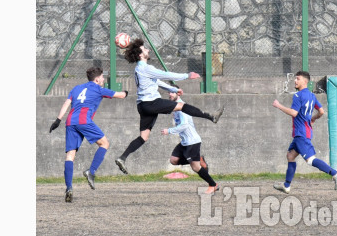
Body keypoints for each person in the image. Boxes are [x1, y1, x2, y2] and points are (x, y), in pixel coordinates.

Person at [115, 38, 224, 175]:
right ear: (140, 55)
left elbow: (157, 81)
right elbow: (166, 74)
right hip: (151, 103)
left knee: (143, 137)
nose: (148, 50)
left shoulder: (139, 69)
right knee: (182, 106)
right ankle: (210, 116)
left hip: (142, 105)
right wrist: (187, 75)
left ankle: (122, 158)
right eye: (145, 49)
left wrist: (172, 89)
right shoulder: (146, 68)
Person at [49, 66, 128, 203]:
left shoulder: (76, 88)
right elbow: (120, 95)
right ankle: (91, 172)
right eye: (102, 77)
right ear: (97, 79)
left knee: (70, 155)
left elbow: (66, 104)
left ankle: (69, 188)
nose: (103, 79)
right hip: (84, 120)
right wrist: (127, 92)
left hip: (70, 121)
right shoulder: (98, 89)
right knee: (105, 144)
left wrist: (58, 120)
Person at [272, 71, 337, 193]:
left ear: (305, 81)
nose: (295, 81)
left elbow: (294, 113)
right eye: (295, 79)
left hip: (301, 134)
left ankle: (334, 173)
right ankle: (286, 185)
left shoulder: (298, 96)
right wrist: (313, 118)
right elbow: (321, 111)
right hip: (304, 133)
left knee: (310, 160)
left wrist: (279, 106)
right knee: (290, 156)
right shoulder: (312, 96)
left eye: (297, 79)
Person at [161, 91, 219, 194]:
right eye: (169, 92)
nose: (170, 94)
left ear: (178, 94)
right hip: (185, 142)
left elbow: (185, 125)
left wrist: (169, 131)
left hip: (192, 142)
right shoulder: (176, 106)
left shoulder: (182, 108)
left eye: (172, 92)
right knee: (173, 160)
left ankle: (213, 185)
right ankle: (198, 159)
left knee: (195, 167)